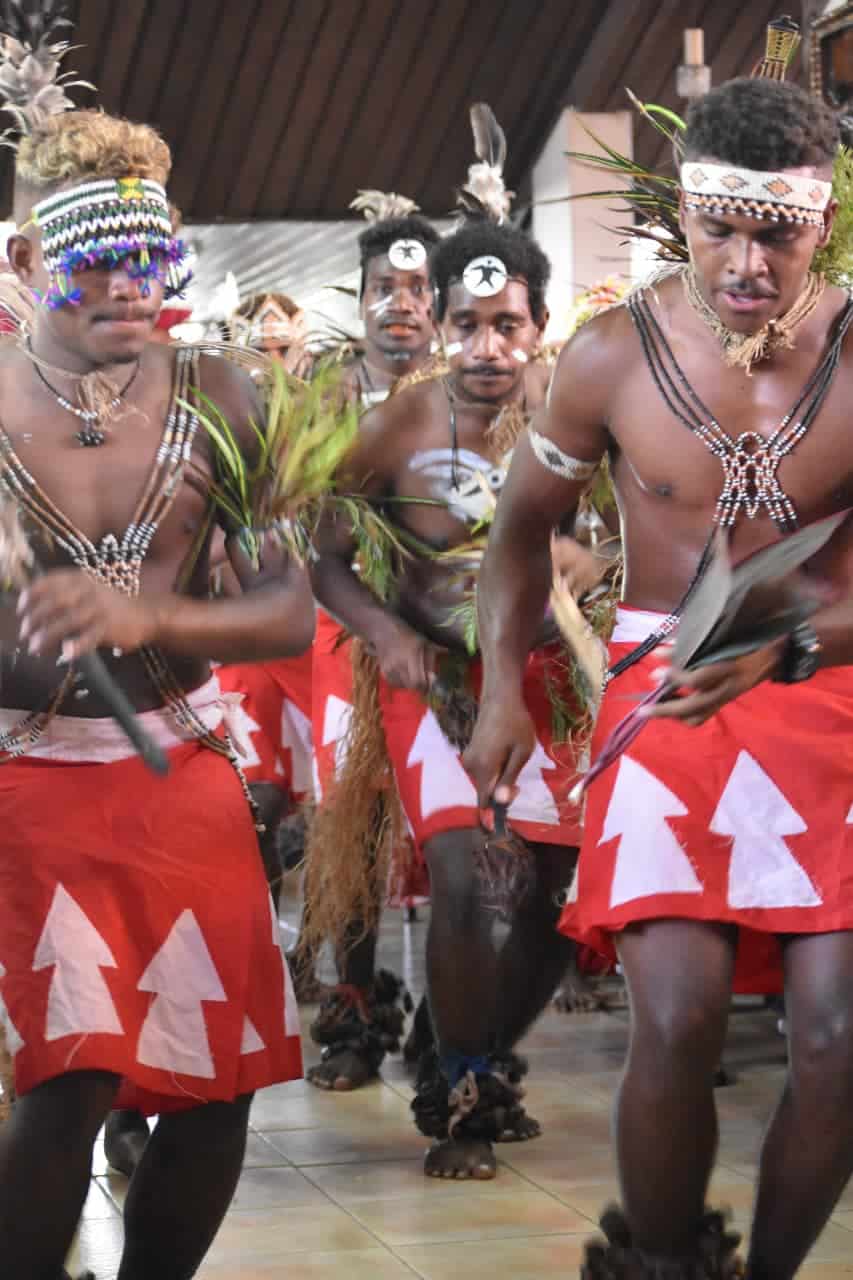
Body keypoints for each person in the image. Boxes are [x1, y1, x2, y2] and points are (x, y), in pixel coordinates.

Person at [466, 68, 853, 1278]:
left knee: (839, 1039)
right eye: (719, 226)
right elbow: (520, 530)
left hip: (829, 690)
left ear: (820, 223)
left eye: (775, 233)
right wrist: (495, 691)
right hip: (666, 692)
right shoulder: (607, 357)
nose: (745, 260)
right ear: (680, 213)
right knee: (678, 1020)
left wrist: (797, 648)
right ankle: (666, 1261)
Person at [0, 22, 311, 1278]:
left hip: (182, 777)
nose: (137, 288)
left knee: (216, 1088)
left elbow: (288, 610)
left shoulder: (225, 394)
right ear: (25, 260)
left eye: (154, 261)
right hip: (26, 778)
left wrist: (153, 619)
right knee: (69, 1082)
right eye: (101, 265)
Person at [309, 204, 596, 1180]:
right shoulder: (399, 420)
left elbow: (637, 534)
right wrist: (386, 631)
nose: (485, 347)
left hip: (551, 680)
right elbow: (329, 557)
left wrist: (587, 563)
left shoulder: (580, 409)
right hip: (433, 679)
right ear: (436, 323)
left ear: (538, 324)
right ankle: (464, 1098)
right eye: (465, 325)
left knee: (557, 894)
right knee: (470, 875)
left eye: (505, 325)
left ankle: (465, 1049)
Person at [300, 193, 441, 1082]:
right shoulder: (322, 396)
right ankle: (355, 1019)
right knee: (347, 820)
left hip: (449, 640)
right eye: (381, 288)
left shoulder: (480, 385)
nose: (399, 303)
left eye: (415, 288)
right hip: (340, 632)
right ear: (358, 302)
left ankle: (448, 1033)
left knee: (461, 837)